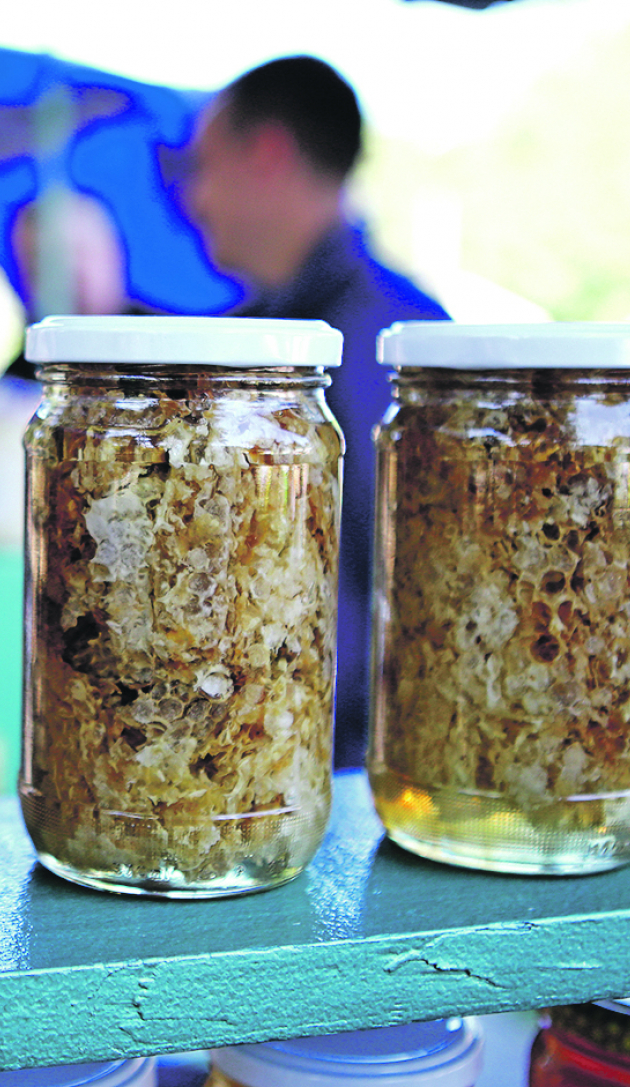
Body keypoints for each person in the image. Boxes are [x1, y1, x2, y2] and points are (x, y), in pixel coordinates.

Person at [186, 55, 450, 768]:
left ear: (267, 153)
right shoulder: (250, 329)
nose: (196, 201)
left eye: (202, 168)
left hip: (339, 772)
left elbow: (407, 595)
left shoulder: (400, 345)